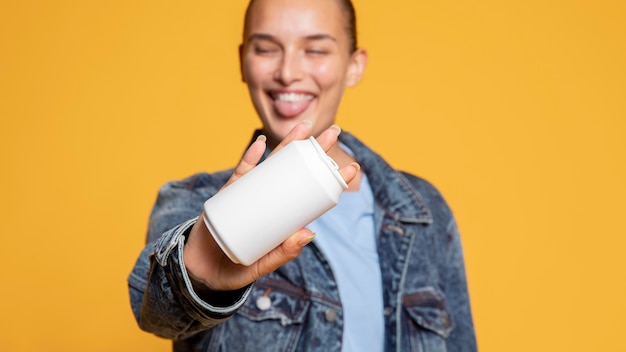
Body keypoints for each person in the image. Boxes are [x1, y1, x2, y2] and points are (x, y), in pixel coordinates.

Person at [128, 0, 477, 351]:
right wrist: (202, 271)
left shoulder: (424, 213)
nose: (288, 71)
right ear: (243, 62)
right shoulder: (196, 203)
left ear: (354, 66)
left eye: (315, 49)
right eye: (266, 48)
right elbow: (157, 315)